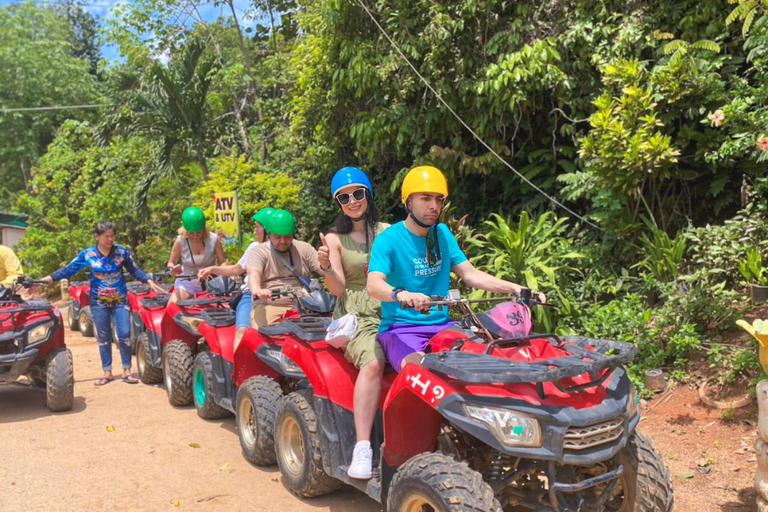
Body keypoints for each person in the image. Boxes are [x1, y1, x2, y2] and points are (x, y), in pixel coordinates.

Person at [367, 165, 545, 373]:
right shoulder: (388, 239)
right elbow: (373, 284)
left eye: (439, 199)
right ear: (408, 201)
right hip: (402, 330)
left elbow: (470, 274)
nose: (434, 206)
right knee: (420, 373)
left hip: (443, 326)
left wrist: (517, 289)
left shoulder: (442, 233)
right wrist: (401, 294)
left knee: (487, 361)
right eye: (425, 198)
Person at [317, 167, 389, 480]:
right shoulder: (335, 238)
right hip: (358, 310)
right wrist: (325, 268)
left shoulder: (387, 230)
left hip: (391, 302)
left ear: (368, 195)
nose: (352, 201)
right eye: (344, 197)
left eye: (357, 194)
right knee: (373, 362)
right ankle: (362, 446)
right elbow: (339, 288)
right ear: (339, 203)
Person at [41, 222, 165, 385]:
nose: (111, 239)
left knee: (124, 334)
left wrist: (148, 280)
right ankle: (107, 371)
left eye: (113, 236)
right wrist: (49, 279)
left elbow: (134, 270)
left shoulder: (122, 252)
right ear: (97, 237)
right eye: (107, 236)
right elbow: (69, 269)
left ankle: (127, 370)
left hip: (120, 301)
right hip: (98, 303)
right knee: (104, 337)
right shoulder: (88, 254)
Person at [197, 207, 274, 350]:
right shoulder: (254, 247)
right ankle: (236, 370)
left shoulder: (287, 249)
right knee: (242, 331)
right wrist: (213, 269)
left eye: (257, 229)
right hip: (250, 295)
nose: (255, 233)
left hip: (278, 295)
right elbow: (237, 269)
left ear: (267, 231)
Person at [247, 209, 325, 326]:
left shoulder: (303, 248)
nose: (283, 241)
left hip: (305, 305)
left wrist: (326, 263)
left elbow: (325, 270)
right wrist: (257, 289)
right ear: (269, 235)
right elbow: (253, 272)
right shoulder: (259, 251)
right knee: (263, 336)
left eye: (288, 237)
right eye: (278, 237)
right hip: (269, 305)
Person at [166, 206, 226, 303]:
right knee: (172, 306)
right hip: (187, 282)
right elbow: (171, 262)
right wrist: (172, 269)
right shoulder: (180, 241)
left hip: (210, 282)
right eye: (191, 233)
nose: (195, 236)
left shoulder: (214, 240)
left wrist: (223, 275)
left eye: (199, 233)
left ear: (204, 229)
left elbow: (222, 262)